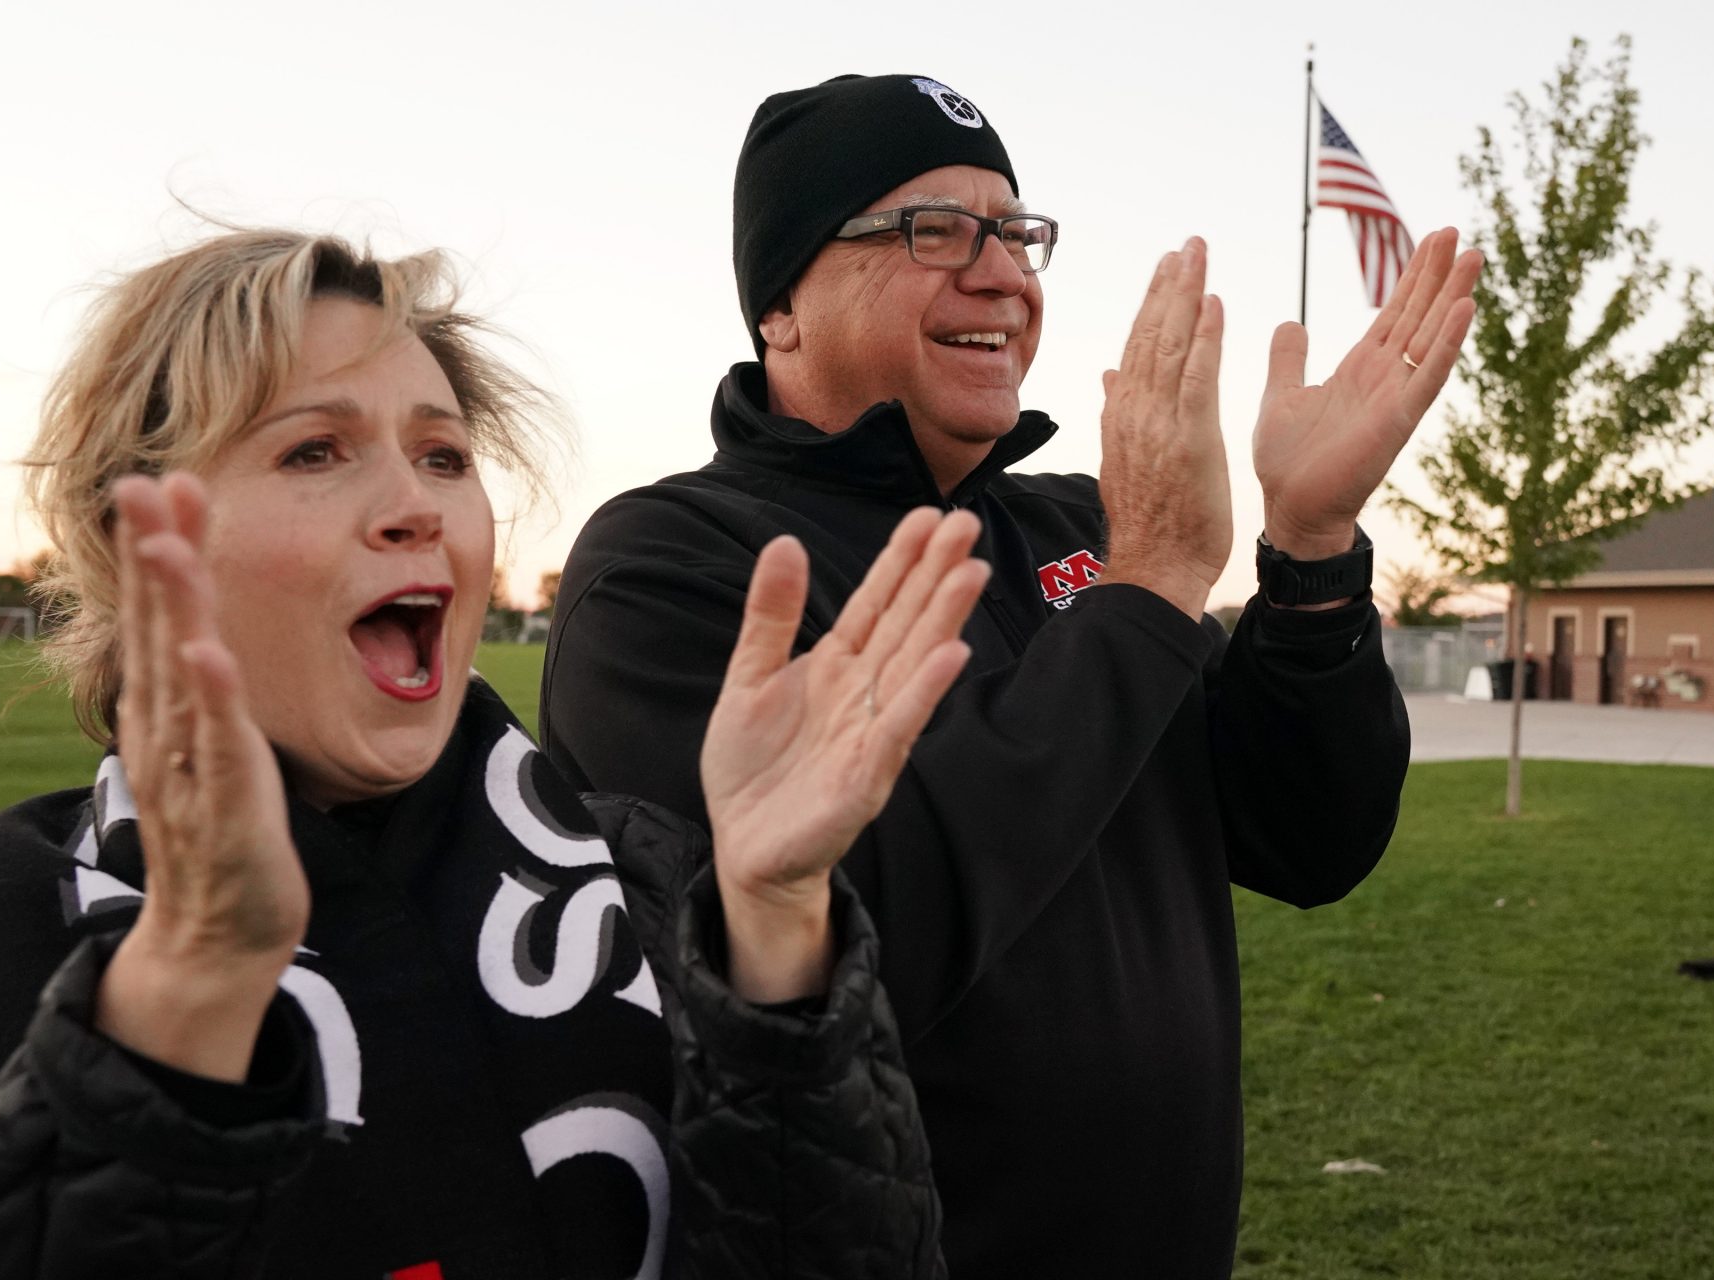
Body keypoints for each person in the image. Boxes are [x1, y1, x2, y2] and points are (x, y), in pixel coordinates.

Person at [541, 74, 1481, 1277]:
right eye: (934, 229)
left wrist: (1308, 549)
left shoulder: (1079, 530)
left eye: (1017, 232)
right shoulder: (677, 565)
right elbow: (841, 948)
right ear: (779, 301)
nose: (1003, 274)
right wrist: (1144, 586)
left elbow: (1309, 838)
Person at [0, 228, 980, 1278]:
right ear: (139, 541)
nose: (418, 506)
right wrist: (189, 996)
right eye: (314, 449)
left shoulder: (654, 875)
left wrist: (778, 914)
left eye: (443, 455)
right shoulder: (14, 913)